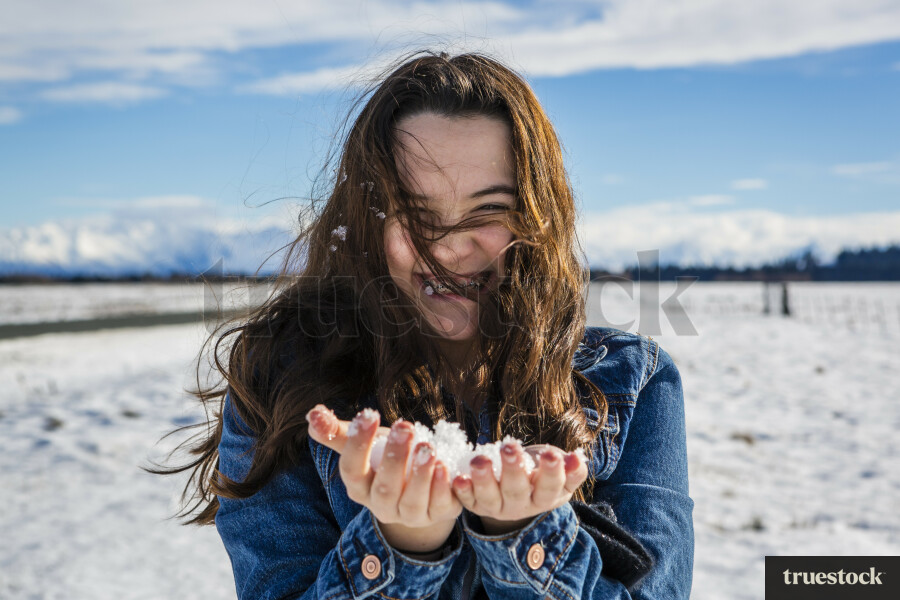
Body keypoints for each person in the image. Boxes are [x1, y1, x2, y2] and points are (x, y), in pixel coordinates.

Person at [155, 51, 694, 599]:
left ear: (535, 220)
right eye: (416, 216)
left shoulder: (630, 383)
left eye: (487, 212)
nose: (450, 249)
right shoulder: (279, 381)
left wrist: (524, 539)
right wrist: (402, 548)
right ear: (367, 221)